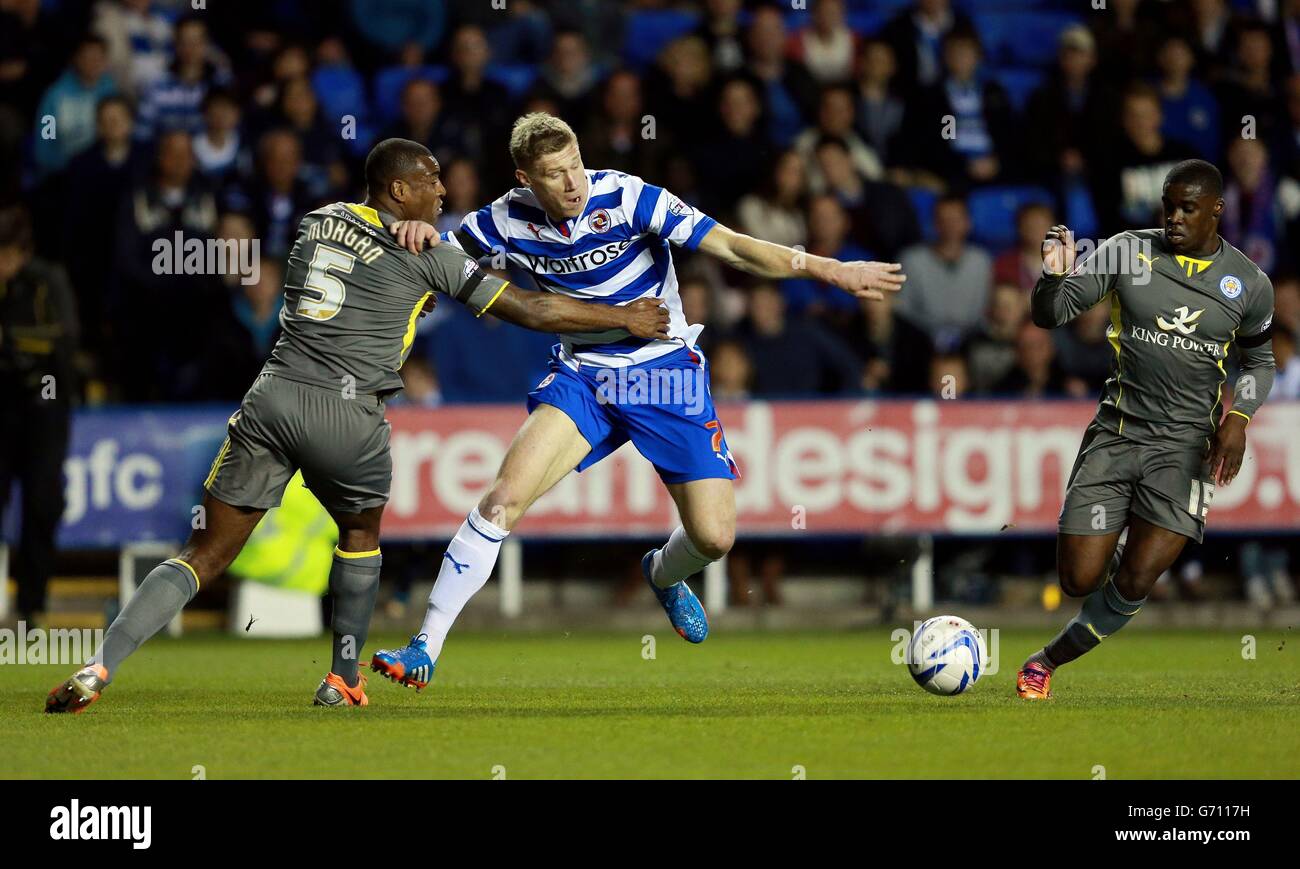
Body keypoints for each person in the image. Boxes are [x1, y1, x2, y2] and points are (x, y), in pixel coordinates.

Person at [44, 138, 671, 714]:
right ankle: (343, 676)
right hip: (349, 413)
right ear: (399, 191)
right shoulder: (429, 255)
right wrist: (624, 317)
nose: (443, 192)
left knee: (201, 553)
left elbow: (362, 259)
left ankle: (100, 666)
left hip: (272, 398)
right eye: (430, 181)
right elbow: (531, 308)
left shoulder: (316, 222)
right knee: (361, 533)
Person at [371, 112, 905, 690]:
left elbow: (731, 246)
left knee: (714, 538)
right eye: (554, 174)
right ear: (526, 179)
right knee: (503, 499)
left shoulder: (629, 197)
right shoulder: (505, 217)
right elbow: (435, 258)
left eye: (575, 165)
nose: (572, 183)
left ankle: (662, 571)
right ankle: (425, 646)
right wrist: (420, 237)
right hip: (585, 377)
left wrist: (829, 269)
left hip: (665, 375)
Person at [1017, 159, 1276, 700]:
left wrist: (1239, 417)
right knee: (1077, 581)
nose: (1174, 217)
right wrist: (1052, 277)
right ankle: (1110, 540)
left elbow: (1261, 362)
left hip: (1186, 452)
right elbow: (1051, 314)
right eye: (1168, 205)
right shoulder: (1126, 251)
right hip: (1117, 434)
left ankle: (1045, 662)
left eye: (1187, 208)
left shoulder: (1249, 285)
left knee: (1136, 581)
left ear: (1216, 211)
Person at [0, 206, 78, 626]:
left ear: (21, 251)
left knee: (42, 503)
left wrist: (12, 341)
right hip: (4, 407)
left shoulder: (48, 280)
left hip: (45, 409)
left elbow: (65, 335)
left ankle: (32, 604)